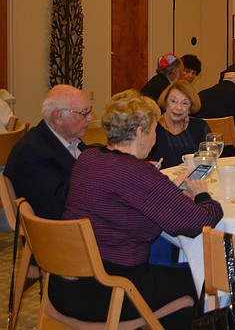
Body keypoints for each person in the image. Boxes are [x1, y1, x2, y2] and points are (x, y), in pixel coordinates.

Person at [52, 90, 222, 329]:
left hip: (63, 284)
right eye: (154, 130)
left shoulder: (88, 158)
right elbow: (199, 222)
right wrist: (203, 195)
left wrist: (162, 188)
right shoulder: (135, 173)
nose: (156, 137)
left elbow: (123, 200)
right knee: (203, 280)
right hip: (110, 292)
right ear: (141, 133)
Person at [4, 85, 93, 219]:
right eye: (83, 113)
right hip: (61, 233)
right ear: (58, 117)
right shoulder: (31, 152)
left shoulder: (71, 139)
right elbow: (59, 209)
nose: (91, 118)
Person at [149, 80, 211, 169]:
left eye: (185, 103)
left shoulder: (200, 127)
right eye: (173, 101)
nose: (178, 108)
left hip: (193, 180)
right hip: (161, 180)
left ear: (190, 108)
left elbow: (208, 161)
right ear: (165, 102)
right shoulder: (153, 127)